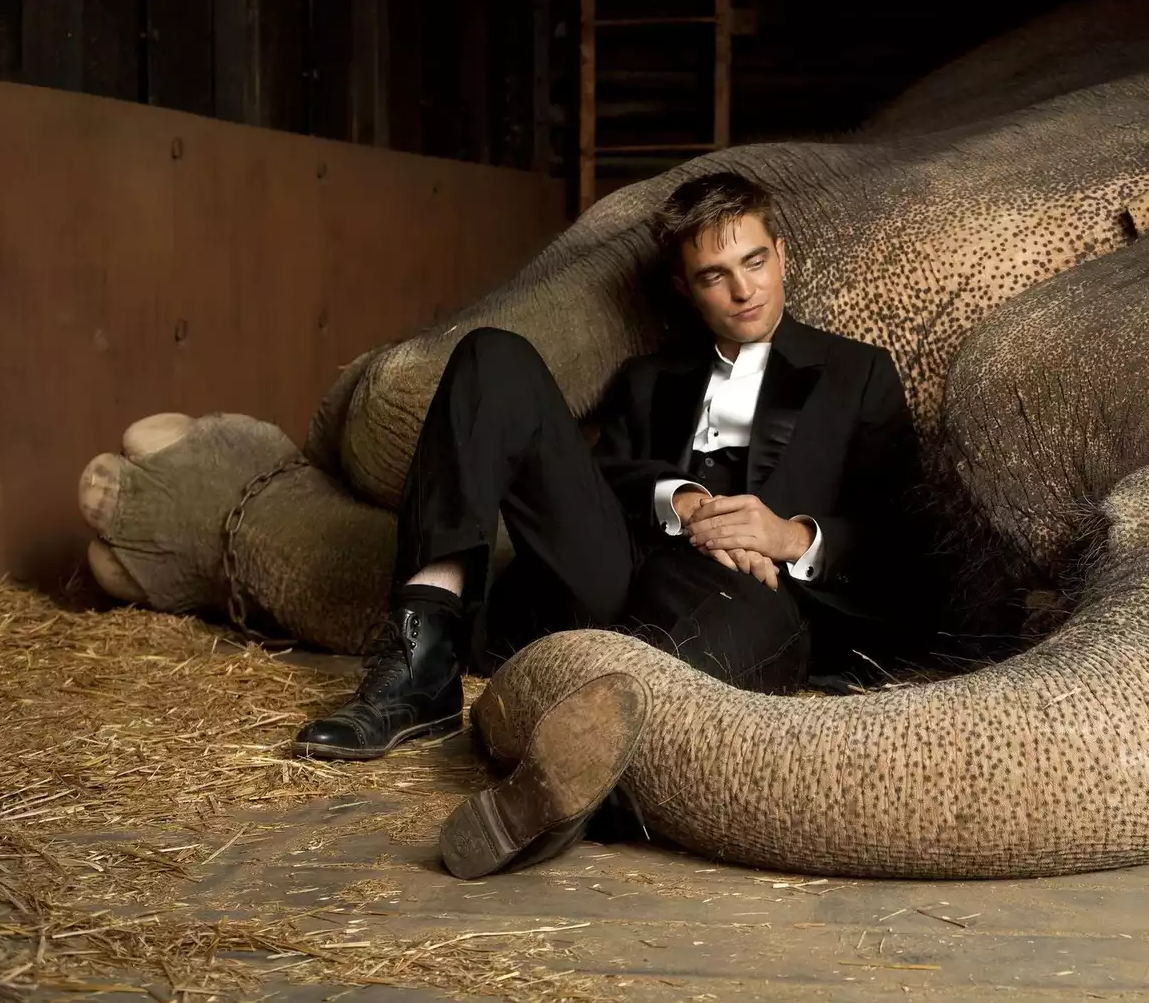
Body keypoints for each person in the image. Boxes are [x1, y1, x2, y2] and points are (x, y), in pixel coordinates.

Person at [292, 171, 925, 762]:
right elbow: (605, 477)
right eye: (714, 275)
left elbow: (903, 536)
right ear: (685, 288)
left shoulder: (858, 374)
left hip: (754, 596)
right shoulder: (649, 378)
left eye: (755, 262)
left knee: (644, 710)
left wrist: (790, 536)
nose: (743, 290)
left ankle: (588, 752)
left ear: (781, 257)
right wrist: (680, 499)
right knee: (492, 357)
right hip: (623, 574)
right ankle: (423, 663)